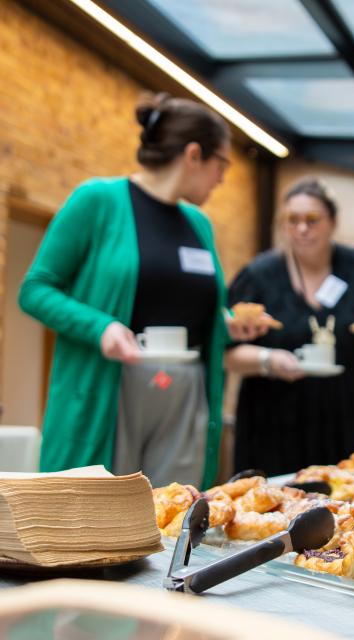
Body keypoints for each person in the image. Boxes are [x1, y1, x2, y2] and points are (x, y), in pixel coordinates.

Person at [19, 92, 267, 489]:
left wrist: (228, 325)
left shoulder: (199, 224)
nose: (223, 177)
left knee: (171, 524)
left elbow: (187, 309)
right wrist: (101, 327)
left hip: (186, 396)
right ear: (193, 155)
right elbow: (35, 289)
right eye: (222, 163)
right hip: (112, 390)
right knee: (98, 524)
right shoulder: (97, 200)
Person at [224, 177, 354, 476]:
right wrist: (267, 361)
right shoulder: (259, 275)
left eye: (312, 220)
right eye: (293, 220)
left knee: (351, 506)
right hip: (274, 421)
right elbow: (225, 351)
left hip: (348, 416)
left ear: (333, 222)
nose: (302, 229)